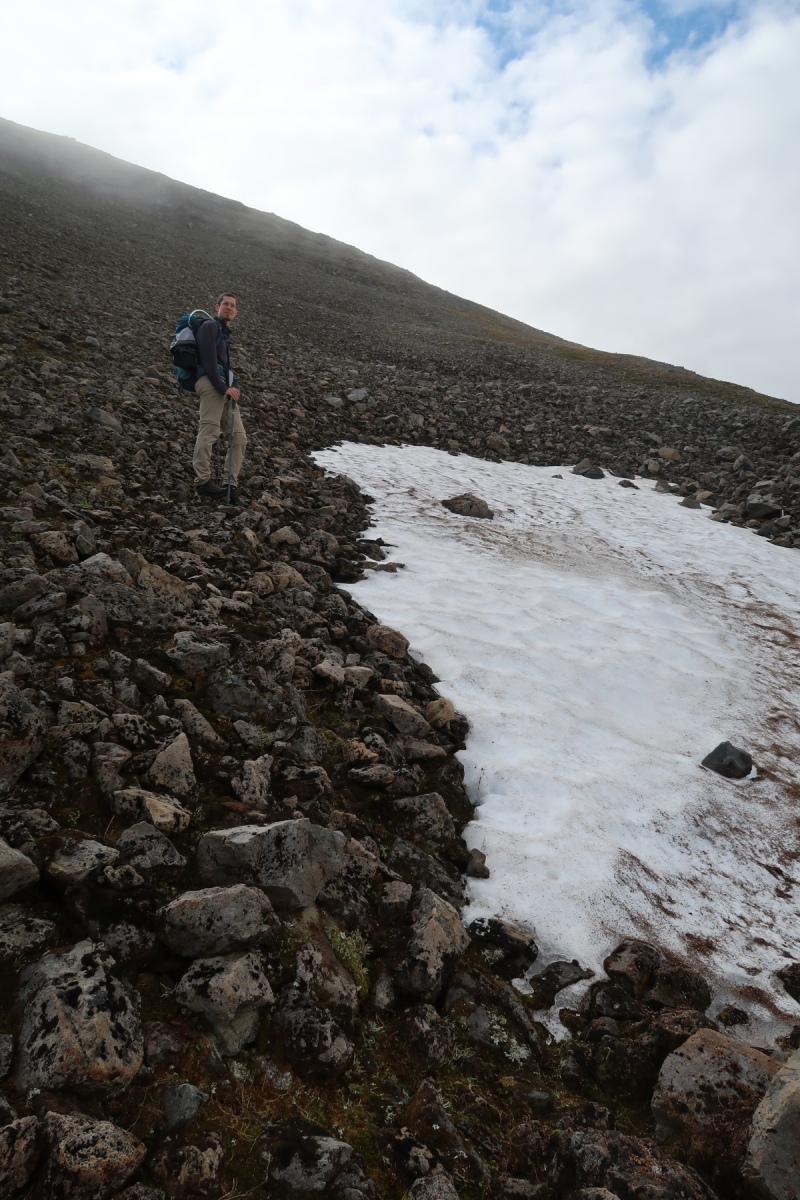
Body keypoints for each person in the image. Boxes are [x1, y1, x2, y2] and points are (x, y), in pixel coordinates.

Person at [192, 292, 247, 502]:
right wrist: (223, 387)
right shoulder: (210, 326)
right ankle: (202, 482)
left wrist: (231, 386)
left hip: (223, 387)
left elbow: (222, 365)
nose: (229, 308)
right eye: (225, 304)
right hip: (210, 384)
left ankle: (230, 486)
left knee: (238, 437)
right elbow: (209, 362)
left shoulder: (224, 333)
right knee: (209, 431)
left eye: (233, 305)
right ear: (217, 306)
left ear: (236, 312)